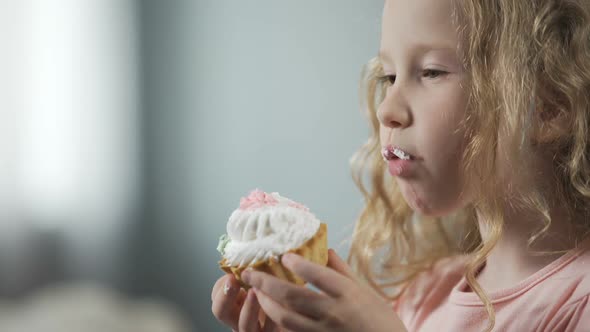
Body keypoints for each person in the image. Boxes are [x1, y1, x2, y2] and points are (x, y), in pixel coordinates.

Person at [211, 0, 590, 330]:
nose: (386, 109)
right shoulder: (427, 292)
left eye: (431, 72)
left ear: (550, 105)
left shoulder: (579, 303)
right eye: (389, 77)